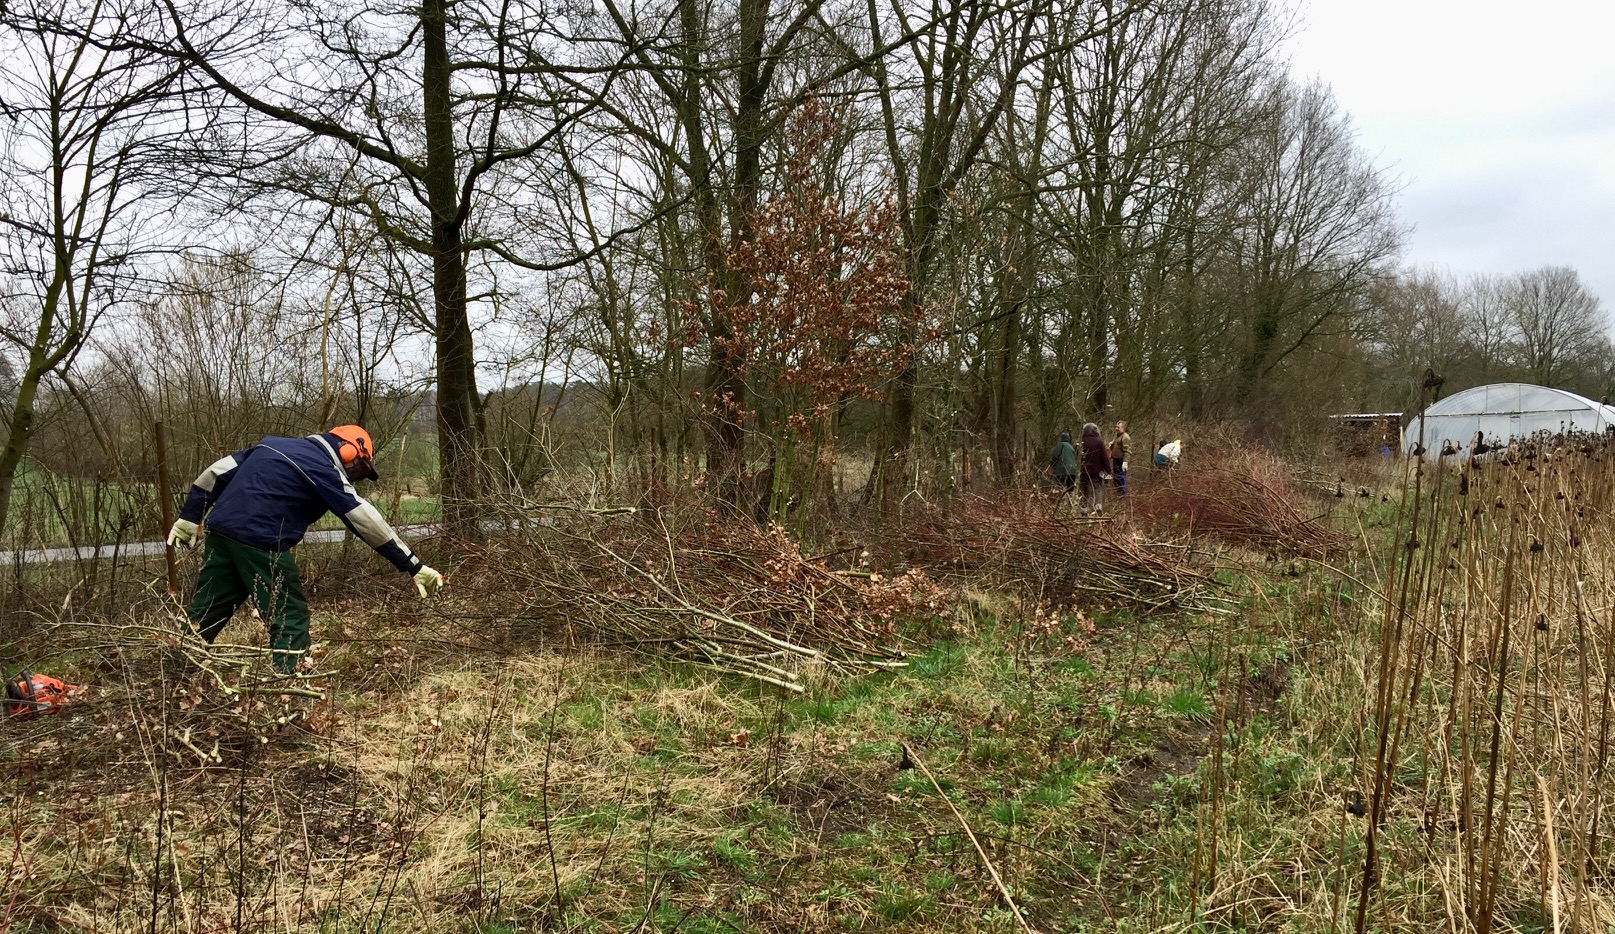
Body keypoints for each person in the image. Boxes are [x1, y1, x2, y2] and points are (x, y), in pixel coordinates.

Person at [166, 425, 445, 675]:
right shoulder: (322, 468)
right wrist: (413, 566)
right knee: (288, 615)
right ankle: (288, 688)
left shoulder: (270, 443)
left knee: (206, 611)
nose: (355, 476)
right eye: (359, 468)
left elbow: (217, 471)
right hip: (261, 541)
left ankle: (172, 675)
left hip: (221, 531)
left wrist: (190, 516)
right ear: (349, 451)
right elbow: (364, 518)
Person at [1078, 423, 1111, 514]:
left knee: (1084, 489)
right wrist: (1108, 469)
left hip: (1083, 470)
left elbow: (1077, 456)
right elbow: (1104, 457)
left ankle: (1083, 508)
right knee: (1097, 488)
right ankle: (1098, 506)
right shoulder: (1099, 442)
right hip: (1096, 471)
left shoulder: (1081, 441)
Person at [1110, 420, 1132, 497]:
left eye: (1118, 427)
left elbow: (1127, 451)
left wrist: (1125, 462)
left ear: (1123, 428)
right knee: (1116, 477)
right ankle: (1117, 493)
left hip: (1121, 460)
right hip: (1115, 459)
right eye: (1116, 427)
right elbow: (1115, 444)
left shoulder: (1125, 437)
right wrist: (1111, 445)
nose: (1116, 428)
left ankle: (1122, 495)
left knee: (1121, 477)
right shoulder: (1117, 435)